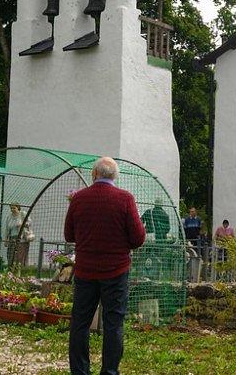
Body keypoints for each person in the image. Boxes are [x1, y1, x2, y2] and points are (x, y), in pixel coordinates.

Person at [64, 157, 146, 375]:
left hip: (85, 270)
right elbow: (138, 239)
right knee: (113, 323)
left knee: (80, 323)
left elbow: (68, 234)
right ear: (114, 176)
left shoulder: (79, 199)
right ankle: (109, 371)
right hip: (116, 271)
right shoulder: (125, 199)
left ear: (94, 174)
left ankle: (80, 371)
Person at [6, 204, 32, 269]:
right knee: (10, 255)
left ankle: (18, 271)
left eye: (14, 208)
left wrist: (21, 224)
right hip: (12, 238)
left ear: (18, 208)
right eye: (11, 208)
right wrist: (6, 240)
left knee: (19, 256)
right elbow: (7, 229)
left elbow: (29, 223)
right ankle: (11, 270)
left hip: (21, 238)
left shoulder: (22, 214)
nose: (12, 209)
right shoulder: (9, 217)